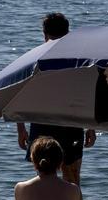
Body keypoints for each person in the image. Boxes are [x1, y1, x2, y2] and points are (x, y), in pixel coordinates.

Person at [17, 12, 97, 185]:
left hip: (41, 123)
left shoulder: (34, 59)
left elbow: (20, 95)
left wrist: (20, 128)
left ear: (44, 34)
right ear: (68, 34)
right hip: (72, 123)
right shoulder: (79, 61)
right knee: (73, 181)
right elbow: (87, 93)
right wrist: (91, 126)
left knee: (43, 179)